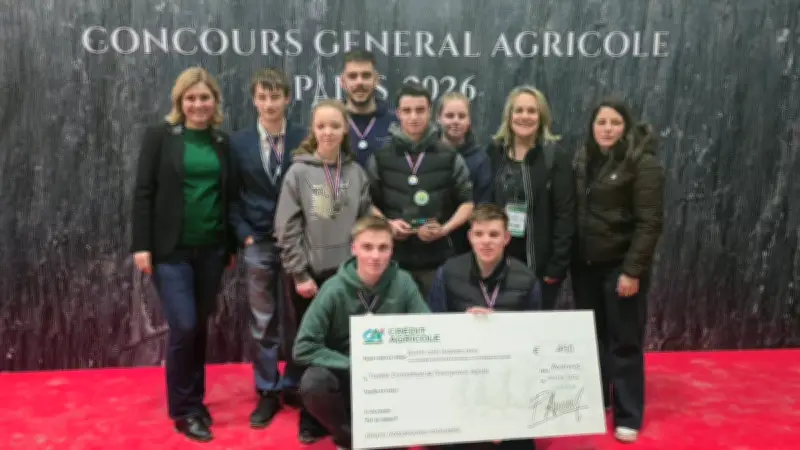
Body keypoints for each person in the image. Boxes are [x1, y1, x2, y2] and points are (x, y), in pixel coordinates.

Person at [130, 67, 238, 442]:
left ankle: (195, 399)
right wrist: (141, 245)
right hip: (169, 250)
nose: (198, 104)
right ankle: (184, 409)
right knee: (185, 325)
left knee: (199, 328)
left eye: (204, 98)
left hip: (211, 249)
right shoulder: (160, 137)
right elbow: (144, 191)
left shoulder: (222, 142)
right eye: (191, 98)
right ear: (180, 102)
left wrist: (232, 246)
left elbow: (230, 197)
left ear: (215, 102)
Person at [274, 99, 372, 444]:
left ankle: (345, 409)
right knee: (310, 347)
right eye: (321, 126)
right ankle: (310, 417)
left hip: (347, 278)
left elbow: (366, 221)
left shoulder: (356, 173)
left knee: (345, 346)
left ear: (345, 128)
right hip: (311, 279)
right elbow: (286, 227)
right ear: (312, 130)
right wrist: (299, 274)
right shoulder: (299, 172)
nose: (328, 132)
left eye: (335, 125)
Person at [571, 98, 665, 443]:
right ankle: (598, 401)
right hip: (586, 266)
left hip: (621, 267)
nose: (607, 128)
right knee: (592, 339)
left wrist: (632, 270)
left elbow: (650, 223)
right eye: (600, 122)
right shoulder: (584, 158)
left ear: (626, 126)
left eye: (614, 122)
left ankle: (628, 413)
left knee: (624, 341)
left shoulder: (643, 163)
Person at [293, 216, 431, 450]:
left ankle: (393, 429)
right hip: (346, 375)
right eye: (367, 247)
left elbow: (428, 333)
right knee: (314, 382)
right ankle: (348, 438)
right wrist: (353, 364)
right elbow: (304, 347)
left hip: (391, 375)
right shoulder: (333, 289)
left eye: (383, 248)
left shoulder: (404, 283)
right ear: (354, 248)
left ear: (392, 249)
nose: (375, 256)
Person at [228, 68, 306, 429]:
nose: (270, 103)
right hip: (257, 241)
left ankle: (295, 384)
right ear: (254, 99)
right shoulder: (238, 142)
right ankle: (267, 390)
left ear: (288, 98)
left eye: (276, 96)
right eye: (263, 96)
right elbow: (230, 195)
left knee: (300, 316)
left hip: (297, 241)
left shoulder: (305, 138)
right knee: (263, 320)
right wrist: (243, 234)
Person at [427, 204, 541, 450]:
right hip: (461, 376)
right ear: (469, 237)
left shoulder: (526, 278)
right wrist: (461, 324)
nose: (486, 241)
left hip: (509, 380)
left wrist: (501, 326)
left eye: (494, 234)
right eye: (479, 234)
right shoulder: (448, 272)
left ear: (506, 238)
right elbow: (434, 330)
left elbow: (535, 339)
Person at [367, 83, 474, 295]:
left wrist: (444, 229)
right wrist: (388, 224)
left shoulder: (450, 156)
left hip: (438, 262)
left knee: (435, 324)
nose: (414, 117)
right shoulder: (380, 157)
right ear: (398, 113)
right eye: (407, 111)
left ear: (430, 112)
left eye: (420, 110)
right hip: (393, 261)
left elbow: (467, 203)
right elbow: (367, 203)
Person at [486, 86, 575, 310]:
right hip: (499, 263)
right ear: (509, 116)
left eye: (531, 111)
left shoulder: (554, 157)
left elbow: (565, 214)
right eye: (519, 110)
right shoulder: (494, 153)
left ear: (541, 117)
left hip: (541, 267)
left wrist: (557, 265)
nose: (525, 116)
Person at [436, 92, 493, 254]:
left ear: (469, 121)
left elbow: (483, 205)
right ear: (438, 118)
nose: (455, 121)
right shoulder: (425, 153)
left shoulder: (480, 159)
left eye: (461, 116)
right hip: (429, 242)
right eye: (449, 116)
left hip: (464, 246)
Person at [340, 49, 396, 167]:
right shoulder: (332, 122)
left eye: (366, 75)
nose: (359, 82)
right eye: (352, 76)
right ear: (342, 82)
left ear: (376, 80)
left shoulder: (395, 122)